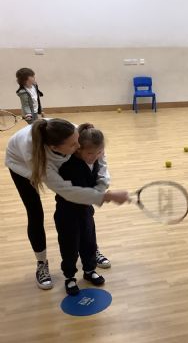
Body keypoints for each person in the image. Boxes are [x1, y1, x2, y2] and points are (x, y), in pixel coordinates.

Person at [5, 118, 130, 290]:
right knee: (35, 213)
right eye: (73, 145)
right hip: (20, 165)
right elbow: (67, 191)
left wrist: (101, 187)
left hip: (54, 151)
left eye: (77, 140)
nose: (79, 146)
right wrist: (105, 196)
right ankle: (42, 264)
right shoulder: (36, 158)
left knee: (86, 216)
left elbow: (99, 156)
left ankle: (90, 251)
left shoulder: (75, 133)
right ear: (55, 148)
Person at [55, 123, 109, 295]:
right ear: (79, 150)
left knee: (89, 242)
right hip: (67, 214)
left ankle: (89, 270)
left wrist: (101, 190)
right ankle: (70, 277)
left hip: (85, 212)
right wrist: (106, 196)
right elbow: (80, 194)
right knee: (69, 247)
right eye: (90, 153)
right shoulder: (70, 166)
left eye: (99, 152)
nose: (95, 157)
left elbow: (97, 184)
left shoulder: (95, 161)